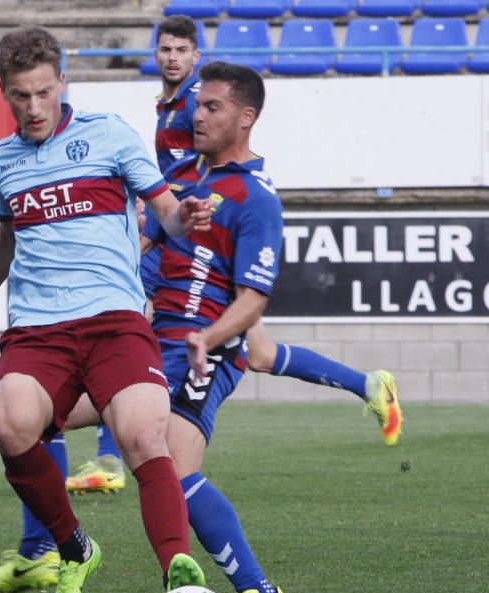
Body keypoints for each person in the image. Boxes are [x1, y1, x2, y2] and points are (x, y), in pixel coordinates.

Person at [66, 15, 402, 495]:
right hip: (189, 231)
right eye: (165, 49)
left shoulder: (191, 107)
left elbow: (202, 178)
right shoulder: (170, 105)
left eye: (182, 50)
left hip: (197, 236)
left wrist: (150, 227)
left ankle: (108, 456)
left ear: (196, 58)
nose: (173, 58)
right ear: (155, 53)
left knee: (129, 335)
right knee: (259, 352)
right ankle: (369, 385)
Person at [0, 26, 211, 593]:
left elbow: (164, 207)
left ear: (62, 83)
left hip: (114, 318)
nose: (35, 107)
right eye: (21, 96)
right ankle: (73, 549)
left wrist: (185, 219)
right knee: (11, 425)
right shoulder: (1, 160)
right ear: (4, 94)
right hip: (38, 329)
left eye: (44, 92)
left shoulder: (110, 134)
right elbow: (8, 236)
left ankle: (178, 572)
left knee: (145, 433)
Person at [68, 61, 292, 593]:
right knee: (35, 418)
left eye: (213, 106)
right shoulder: (186, 182)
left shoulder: (256, 197)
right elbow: (142, 248)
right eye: (197, 104)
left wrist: (208, 337)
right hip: (147, 343)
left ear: (246, 118)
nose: (198, 114)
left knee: (177, 470)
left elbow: (254, 300)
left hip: (203, 352)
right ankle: (53, 550)